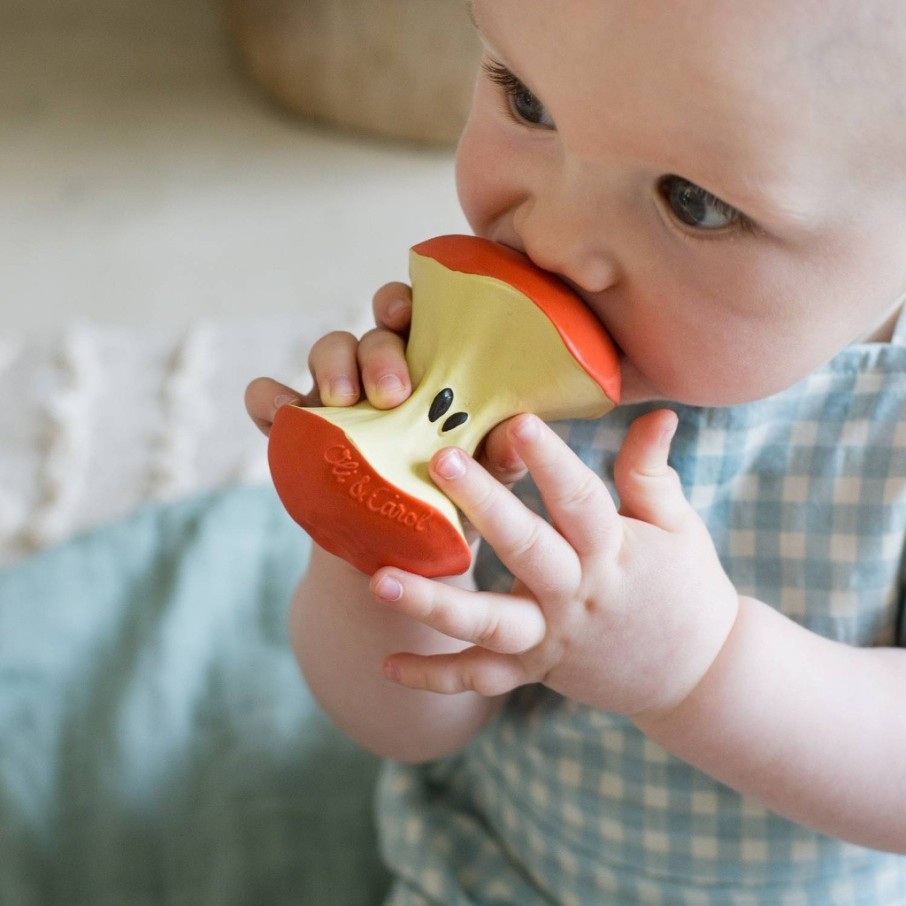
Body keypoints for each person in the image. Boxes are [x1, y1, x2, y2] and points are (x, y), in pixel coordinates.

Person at [246, 1, 906, 901]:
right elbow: (403, 724)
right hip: (497, 873)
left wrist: (701, 667)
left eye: (695, 202)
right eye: (527, 100)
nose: (550, 242)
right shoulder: (472, 377)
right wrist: (375, 550)